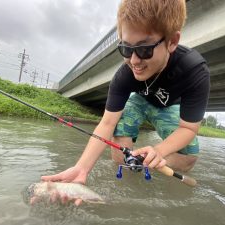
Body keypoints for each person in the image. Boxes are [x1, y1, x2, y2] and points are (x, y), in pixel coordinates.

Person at [41, 0, 210, 205]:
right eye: (126, 48)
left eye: (145, 49)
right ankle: (130, 173)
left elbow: (189, 128)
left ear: (172, 41)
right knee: (119, 147)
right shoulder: (124, 74)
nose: (134, 61)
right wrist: (81, 168)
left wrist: (159, 151)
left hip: (170, 105)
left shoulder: (194, 69)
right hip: (138, 101)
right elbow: (107, 123)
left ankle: (144, 163)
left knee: (189, 160)